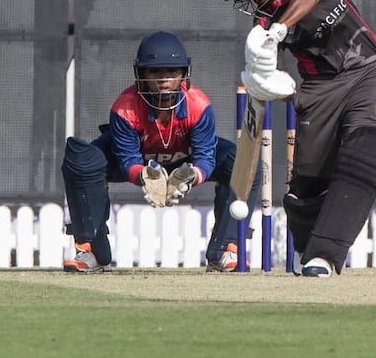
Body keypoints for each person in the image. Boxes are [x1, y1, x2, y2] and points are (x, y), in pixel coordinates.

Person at [216, 0, 376, 278]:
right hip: (318, 92)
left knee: (368, 151)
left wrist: (280, 29)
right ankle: (310, 252)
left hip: (369, 72)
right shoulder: (262, 25)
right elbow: (276, 75)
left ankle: (325, 254)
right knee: (306, 188)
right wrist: (272, 83)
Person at [61, 31, 261, 272]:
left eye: (171, 72)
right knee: (81, 158)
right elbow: (127, 159)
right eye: (155, 72)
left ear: (183, 74)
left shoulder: (199, 105)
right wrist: (144, 176)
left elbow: (205, 157)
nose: (164, 80)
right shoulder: (125, 107)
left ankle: (226, 249)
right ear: (141, 75)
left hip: (184, 161)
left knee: (243, 161)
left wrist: (191, 176)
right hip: (140, 160)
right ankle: (90, 250)